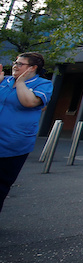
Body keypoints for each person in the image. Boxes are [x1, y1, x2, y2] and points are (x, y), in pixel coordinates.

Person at [0, 53, 53, 214]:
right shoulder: (5, 81)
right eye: (15, 62)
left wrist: (21, 82)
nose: (15, 66)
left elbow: (29, 102)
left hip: (14, 144)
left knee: (1, 184)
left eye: (20, 64)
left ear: (32, 68)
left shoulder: (43, 84)